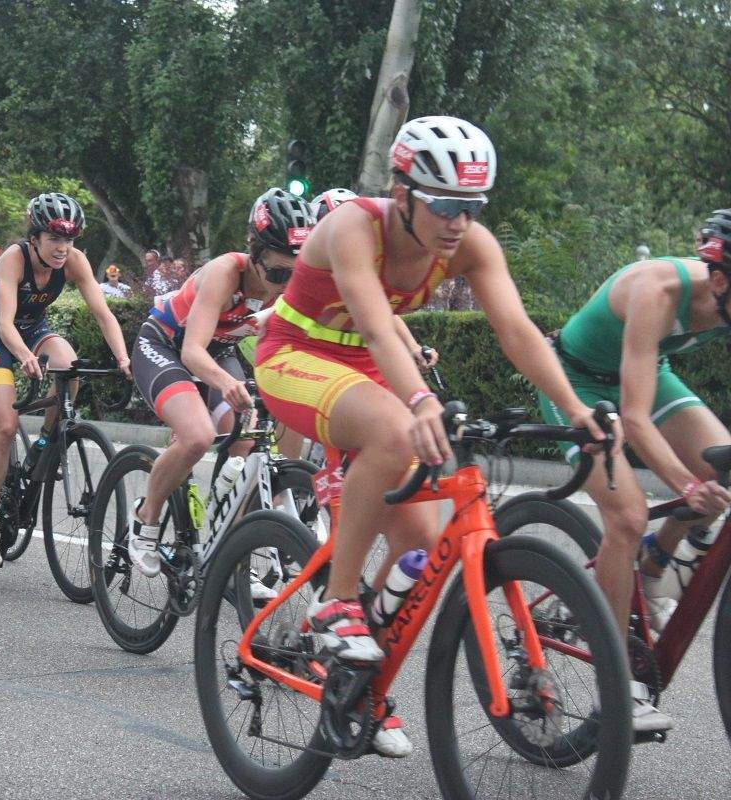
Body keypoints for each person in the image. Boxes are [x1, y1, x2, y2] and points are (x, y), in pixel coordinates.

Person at [253, 115, 618, 755]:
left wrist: (576, 409)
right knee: (398, 429)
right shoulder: (351, 227)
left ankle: (355, 681)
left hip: (368, 369)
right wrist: (419, 400)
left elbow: (517, 331)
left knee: (422, 544)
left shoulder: (471, 244)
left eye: (472, 206)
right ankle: (336, 603)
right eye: (446, 204)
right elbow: (372, 325)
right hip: (295, 353)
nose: (458, 221)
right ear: (403, 194)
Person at [537, 209, 731, 732]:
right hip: (574, 381)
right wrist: (687, 486)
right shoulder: (658, 291)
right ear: (718, 280)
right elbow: (638, 421)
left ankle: (651, 565)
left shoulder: (722, 293)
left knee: (727, 464)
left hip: (644, 374)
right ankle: (616, 678)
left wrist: (704, 481)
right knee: (627, 513)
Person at [126, 188, 312, 591]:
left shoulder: (291, 281)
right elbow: (193, 352)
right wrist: (228, 382)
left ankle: (225, 554)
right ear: (254, 252)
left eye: (295, 274)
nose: (286, 285)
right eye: (278, 274)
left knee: (246, 444)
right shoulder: (224, 273)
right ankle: (146, 517)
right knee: (197, 436)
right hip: (166, 345)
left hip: (219, 350)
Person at [0, 191, 131, 566]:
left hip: (34, 329)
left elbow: (104, 315)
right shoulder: (13, 259)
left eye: (69, 239)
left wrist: (124, 357)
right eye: (54, 239)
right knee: (5, 425)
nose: (62, 248)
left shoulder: (75, 262)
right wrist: (24, 357)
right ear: (35, 237)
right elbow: (5, 324)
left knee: (69, 367)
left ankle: (44, 444)